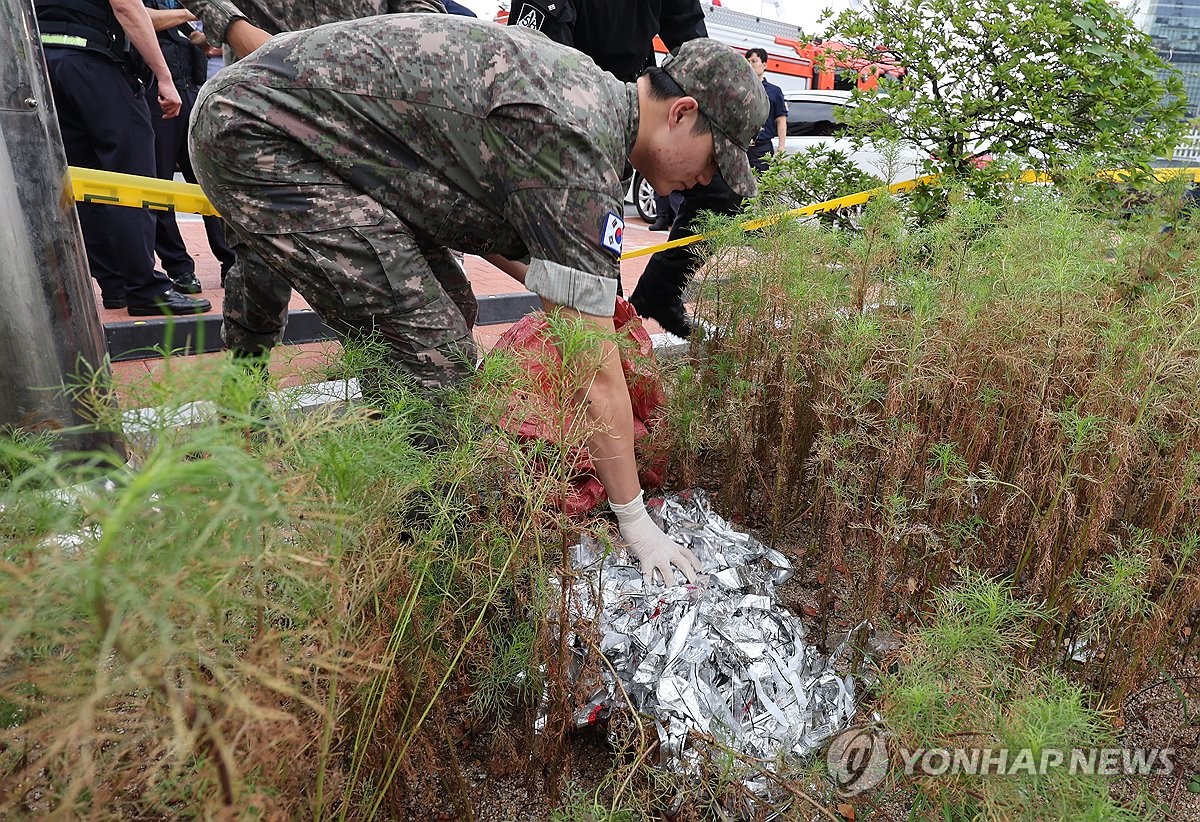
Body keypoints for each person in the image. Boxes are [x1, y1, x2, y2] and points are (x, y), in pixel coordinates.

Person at [189, 16, 767, 583]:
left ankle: (409, 487)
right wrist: (635, 520)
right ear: (682, 112)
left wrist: (576, 295)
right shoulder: (577, 144)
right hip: (259, 133)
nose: (707, 180)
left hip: (325, 142)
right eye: (715, 160)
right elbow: (593, 371)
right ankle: (433, 556)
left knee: (450, 312)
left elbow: (496, 225)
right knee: (434, 358)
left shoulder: (589, 99)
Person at [36, 0, 212, 316]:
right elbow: (128, 8)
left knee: (89, 183)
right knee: (133, 180)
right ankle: (145, 289)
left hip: (49, 65)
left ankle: (115, 285)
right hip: (97, 64)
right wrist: (164, 77)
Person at [145, 0, 236, 294]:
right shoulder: (182, 7)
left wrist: (200, 34)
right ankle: (179, 268)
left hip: (192, 93)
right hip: (157, 96)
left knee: (212, 183)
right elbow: (143, 19)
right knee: (160, 189)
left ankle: (233, 261)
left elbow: (196, 38)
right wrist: (192, 13)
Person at [745, 47, 787, 172]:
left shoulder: (774, 91)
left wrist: (781, 147)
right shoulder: (740, 88)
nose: (750, 65)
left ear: (764, 65)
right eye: (747, 62)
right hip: (742, 147)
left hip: (762, 148)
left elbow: (781, 120)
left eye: (754, 61)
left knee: (761, 186)